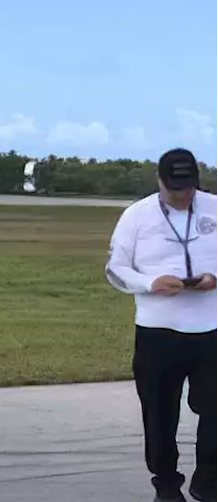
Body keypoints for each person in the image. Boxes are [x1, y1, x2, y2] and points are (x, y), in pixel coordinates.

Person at [106, 147, 218, 501]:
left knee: (216, 409)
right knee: (159, 412)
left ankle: (209, 480)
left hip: (212, 328)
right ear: (160, 181)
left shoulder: (215, 208)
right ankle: (167, 485)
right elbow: (116, 268)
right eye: (173, 190)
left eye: (186, 190)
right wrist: (149, 282)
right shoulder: (136, 216)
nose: (180, 196)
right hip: (158, 331)